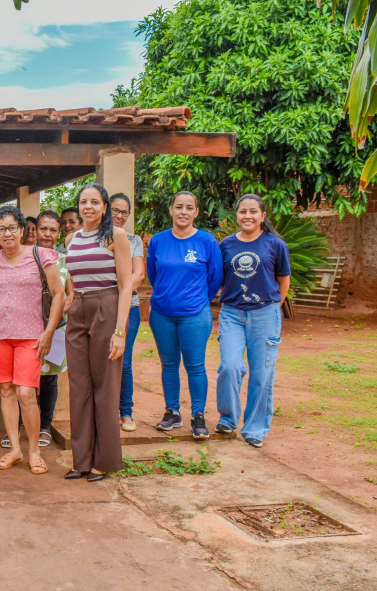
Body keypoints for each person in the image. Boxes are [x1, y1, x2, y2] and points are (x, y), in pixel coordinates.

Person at [0, 205, 64, 476]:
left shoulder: (40, 255)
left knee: (26, 393)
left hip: (31, 336)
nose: (7, 233)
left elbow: (58, 294)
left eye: (12, 228)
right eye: (1, 229)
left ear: (21, 229)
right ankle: (15, 449)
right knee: (6, 391)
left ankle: (34, 451)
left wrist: (49, 332)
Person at [63, 183, 133, 482]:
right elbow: (71, 280)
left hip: (107, 305)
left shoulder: (115, 236)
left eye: (94, 202)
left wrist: (120, 331)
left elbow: (126, 285)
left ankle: (104, 461)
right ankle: (81, 460)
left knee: (105, 387)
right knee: (79, 386)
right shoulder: (71, 239)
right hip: (78, 310)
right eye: (83, 202)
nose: (88, 206)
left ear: (105, 207)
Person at [146, 191, 224, 439]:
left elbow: (215, 277)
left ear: (196, 212)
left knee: (195, 365)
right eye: (179, 206)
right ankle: (172, 411)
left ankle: (198, 416)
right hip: (161, 313)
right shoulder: (158, 240)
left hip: (195, 314)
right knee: (169, 364)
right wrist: (168, 296)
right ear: (171, 209)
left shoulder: (206, 241)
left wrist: (198, 300)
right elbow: (153, 275)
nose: (183, 212)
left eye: (189, 208)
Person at [216, 194, 291, 448]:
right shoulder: (226, 244)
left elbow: (283, 280)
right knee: (230, 366)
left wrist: (273, 308)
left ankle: (255, 428)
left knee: (261, 373)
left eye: (253, 212)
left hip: (265, 313)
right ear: (236, 215)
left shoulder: (275, 244)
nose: (247, 216)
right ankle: (228, 418)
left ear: (262, 216)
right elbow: (219, 277)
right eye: (242, 211)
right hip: (232, 313)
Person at [34, 210, 74, 447]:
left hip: (55, 329)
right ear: (35, 231)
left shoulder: (64, 261)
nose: (47, 234)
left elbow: (70, 294)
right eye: (43, 229)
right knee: (25, 379)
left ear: (58, 233)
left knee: (49, 380)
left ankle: (45, 427)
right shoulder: (25, 257)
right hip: (27, 328)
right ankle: (20, 425)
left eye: (53, 230)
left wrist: (56, 317)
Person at [109, 193, 145, 432]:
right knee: (100, 360)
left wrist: (117, 296)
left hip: (129, 308)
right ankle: (105, 411)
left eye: (124, 212)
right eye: (115, 210)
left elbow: (139, 274)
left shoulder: (134, 240)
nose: (120, 215)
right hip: (100, 308)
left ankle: (126, 412)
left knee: (124, 360)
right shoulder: (95, 237)